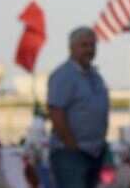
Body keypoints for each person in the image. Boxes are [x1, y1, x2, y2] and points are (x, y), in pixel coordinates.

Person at [47, 27, 109, 188]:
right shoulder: (63, 75)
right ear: (72, 48)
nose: (89, 50)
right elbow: (56, 112)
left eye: (92, 45)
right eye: (84, 45)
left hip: (95, 152)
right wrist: (71, 145)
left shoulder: (96, 76)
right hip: (71, 154)